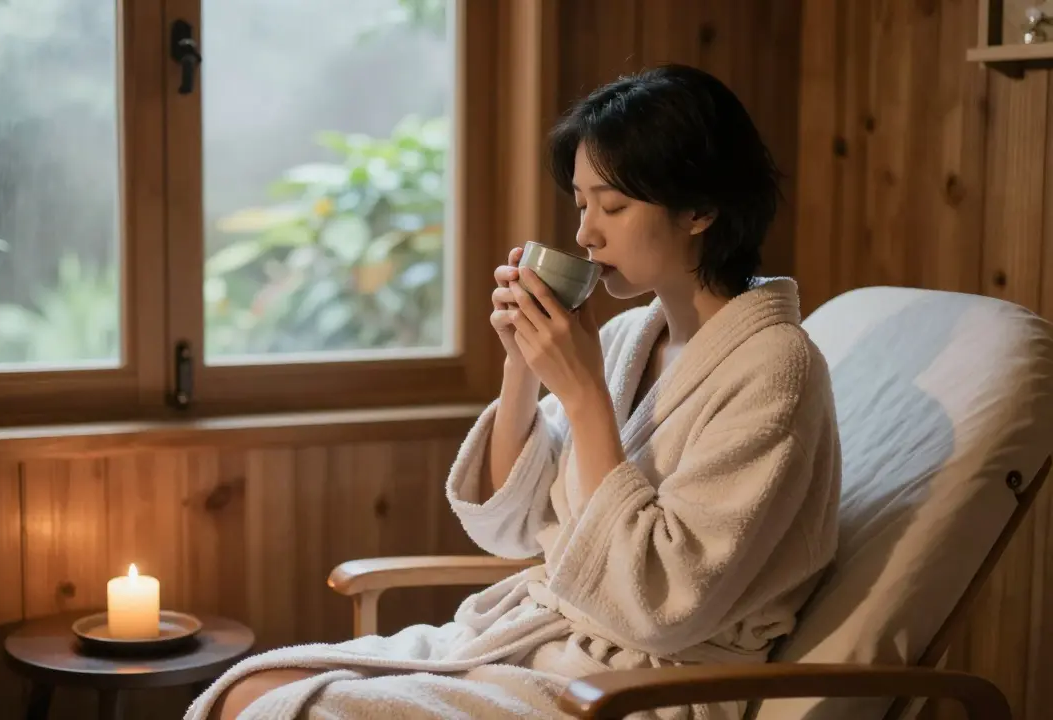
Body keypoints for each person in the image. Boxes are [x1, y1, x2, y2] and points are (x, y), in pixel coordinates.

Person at [187, 63, 842, 720]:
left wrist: (584, 396)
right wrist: (522, 366)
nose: (586, 233)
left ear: (700, 208)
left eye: (613, 205)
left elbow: (664, 603)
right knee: (247, 690)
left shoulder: (776, 368)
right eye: (581, 204)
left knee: (275, 710)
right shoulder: (625, 341)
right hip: (539, 643)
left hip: (642, 691)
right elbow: (511, 525)